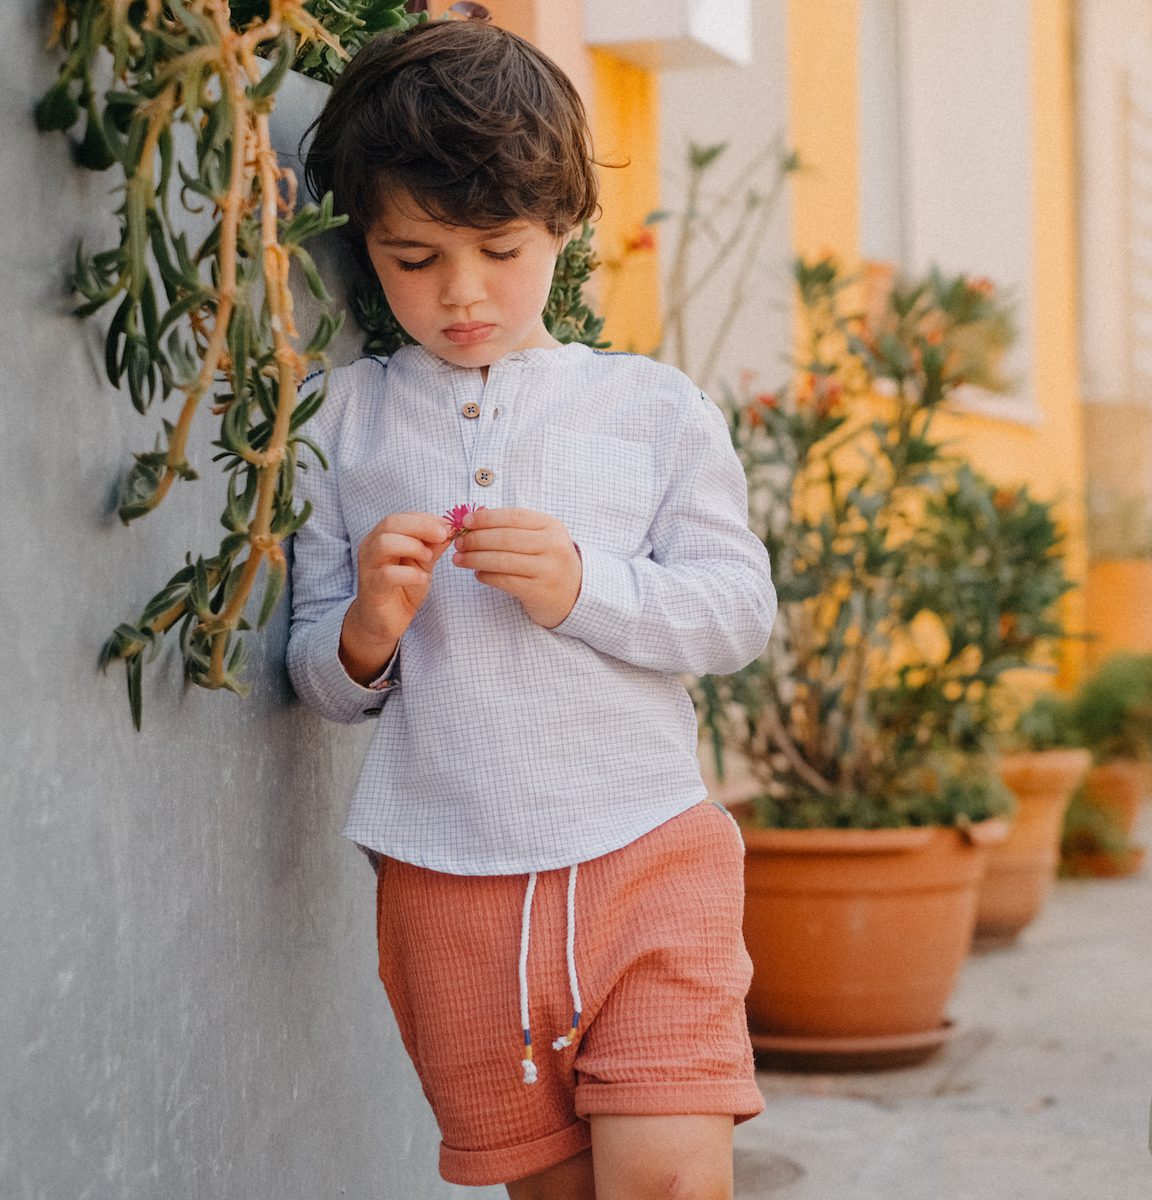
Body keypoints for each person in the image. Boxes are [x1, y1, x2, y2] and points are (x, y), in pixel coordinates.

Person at [290, 18, 776, 1199]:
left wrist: (585, 588)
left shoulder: (652, 410)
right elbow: (312, 668)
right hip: (448, 881)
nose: (461, 294)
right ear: (364, 245)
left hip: (650, 847)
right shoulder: (340, 421)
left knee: (667, 1180)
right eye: (413, 259)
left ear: (565, 224)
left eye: (499, 249)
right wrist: (366, 630)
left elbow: (734, 613)